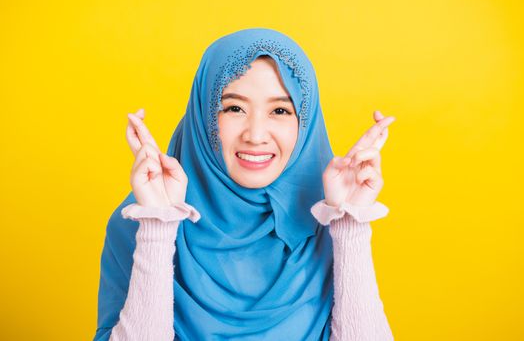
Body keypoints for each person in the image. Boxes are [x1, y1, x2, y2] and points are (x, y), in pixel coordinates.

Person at [94, 28, 396, 341]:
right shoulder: (138, 221)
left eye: (280, 110)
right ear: (204, 115)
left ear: (305, 123)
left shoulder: (329, 222)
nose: (255, 134)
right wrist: (158, 225)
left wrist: (350, 225)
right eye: (234, 108)